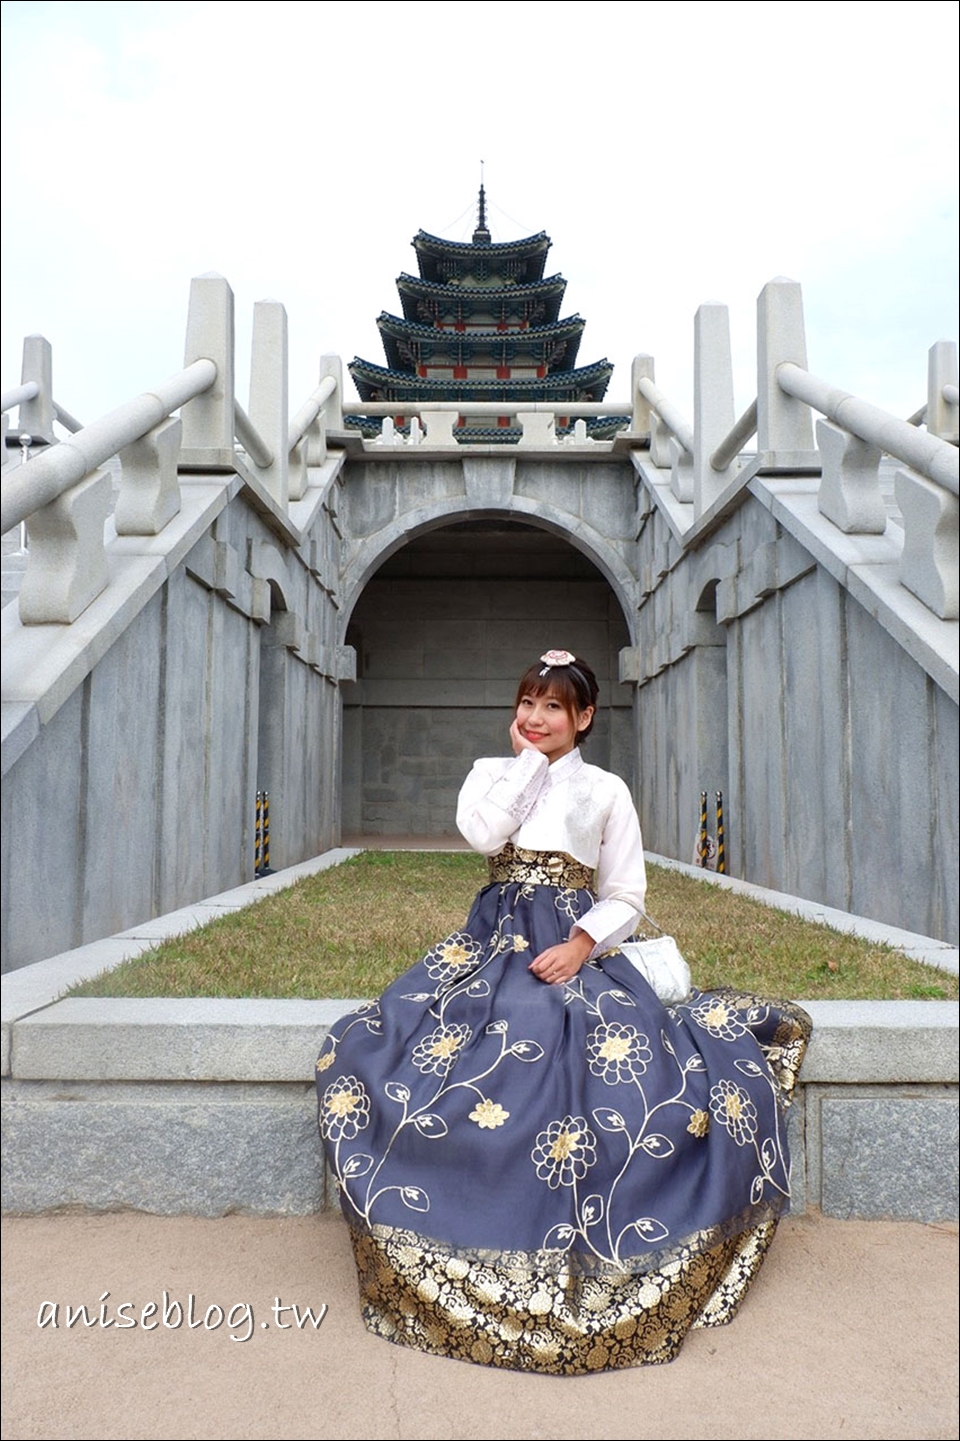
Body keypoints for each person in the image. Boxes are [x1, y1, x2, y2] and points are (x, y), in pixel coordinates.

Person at [316, 650, 811, 1375]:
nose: (537, 716)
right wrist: (526, 766)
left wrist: (582, 944)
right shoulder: (492, 773)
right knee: (388, 1046)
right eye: (527, 700)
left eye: (554, 706)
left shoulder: (607, 789)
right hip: (493, 943)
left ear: (583, 716)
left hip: (575, 944)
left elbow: (628, 892)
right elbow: (485, 836)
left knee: (586, 1054)